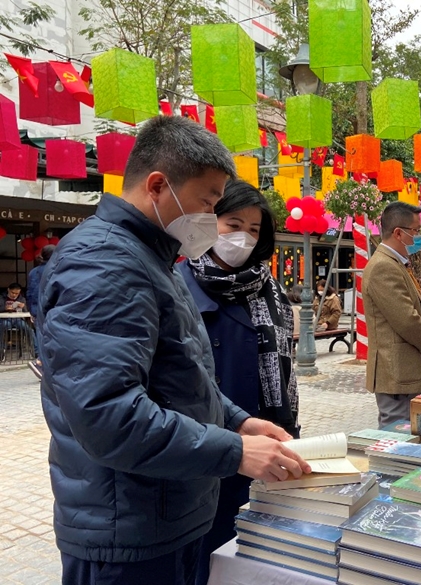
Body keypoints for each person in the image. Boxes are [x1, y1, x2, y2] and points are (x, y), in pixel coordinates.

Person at [38, 116, 310, 585]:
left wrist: (236, 420)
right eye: (208, 201)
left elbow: (183, 374)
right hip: (127, 529)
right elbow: (109, 416)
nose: (212, 215)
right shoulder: (103, 263)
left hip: (166, 511)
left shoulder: (154, 259)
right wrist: (235, 451)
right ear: (159, 186)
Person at [174, 179, 301, 584]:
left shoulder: (271, 290)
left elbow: (285, 370)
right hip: (208, 447)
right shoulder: (178, 285)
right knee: (209, 558)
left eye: (254, 229)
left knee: (260, 554)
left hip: (269, 437)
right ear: (209, 222)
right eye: (233, 224)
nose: (243, 237)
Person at [363, 201, 421, 427]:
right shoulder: (383, 266)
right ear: (398, 233)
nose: (420, 236)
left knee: (410, 436)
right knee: (396, 437)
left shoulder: (398, 264)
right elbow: (407, 320)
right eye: (416, 231)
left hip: (406, 373)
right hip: (396, 374)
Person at [27, 244, 56, 366]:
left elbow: (30, 292)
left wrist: (32, 310)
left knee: (41, 335)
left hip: (38, 308)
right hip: (55, 307)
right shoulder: (57, 269)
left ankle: (41, 361)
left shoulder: (34, 272)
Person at [1, 283, 35, 359]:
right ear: (8, 290)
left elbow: (26, 312)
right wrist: (5, 308)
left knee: (29, 330)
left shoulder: (21, 299)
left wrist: (24, 307)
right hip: (5, 319)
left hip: (18, 319)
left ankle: (35, 351)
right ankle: (1, 350)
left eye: (16, 293)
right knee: (3, 327)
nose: (14, 295)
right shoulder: (2, 298)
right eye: (12, 293)